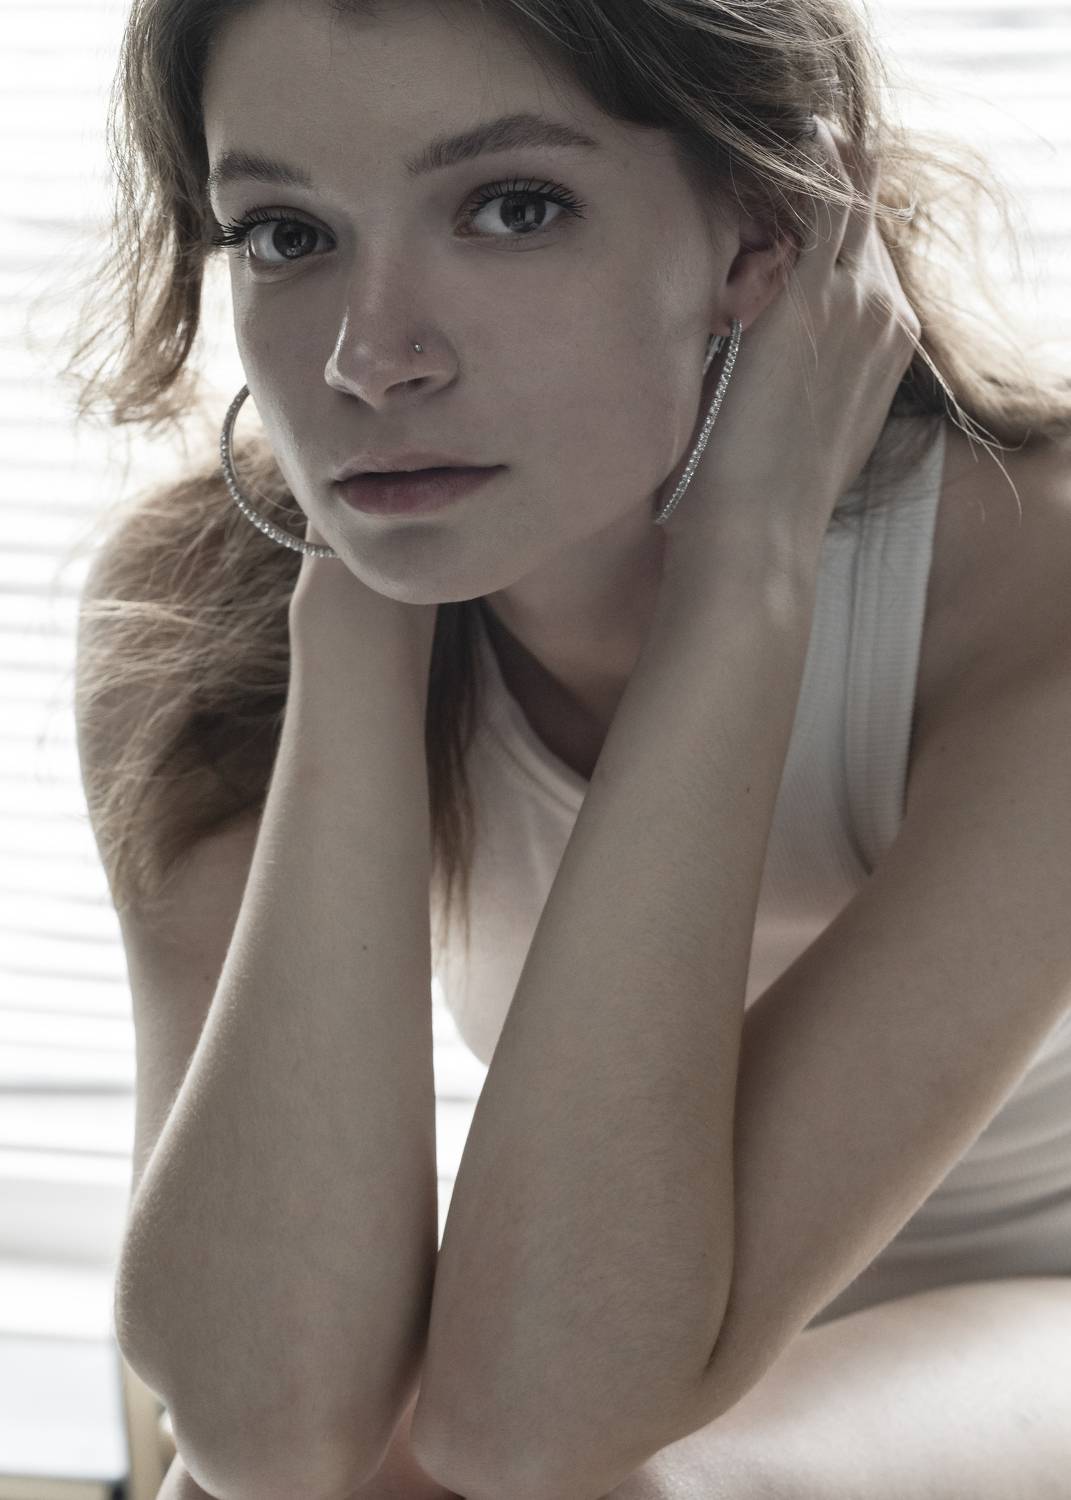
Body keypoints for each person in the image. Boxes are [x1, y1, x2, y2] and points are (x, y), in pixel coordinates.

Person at [64, 1, 1071, 1497]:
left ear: (763, 233)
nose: (369, 360)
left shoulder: (1033, 589)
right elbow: (263, 1419)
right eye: (287, 234)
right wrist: (358, 618)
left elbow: (531, 1424)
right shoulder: (196, 610)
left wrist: (746, 571)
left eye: (514, 208)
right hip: (610, 1301)